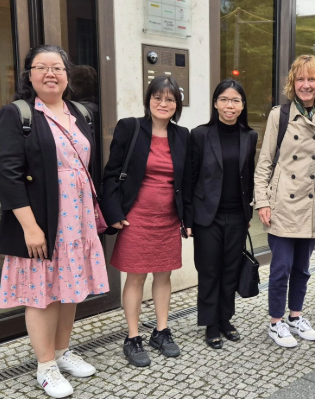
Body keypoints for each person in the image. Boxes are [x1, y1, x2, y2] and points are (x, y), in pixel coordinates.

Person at [0, 45, 109, 398]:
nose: (50, 73)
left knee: (69, 289)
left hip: (78, 219)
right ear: (29, 75)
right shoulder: (17, 114)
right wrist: (30, 227)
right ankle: (45, 367)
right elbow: (7, 173)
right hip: (40, 221)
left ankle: (61, 352)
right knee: (42, 295)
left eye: (57, 67)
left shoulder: (78, 112)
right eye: (41, 67)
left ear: (67, 74)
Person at [100, 76, 191, 367]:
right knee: (136, 276)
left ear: (177, 104)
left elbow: (187, 182)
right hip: (135, 218)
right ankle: (133, 336)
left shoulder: (182, 135)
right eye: (157, 98)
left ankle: (161, 331)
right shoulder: (131, 128)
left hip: (167, 218)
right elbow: (111, 173)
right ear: (148, 100)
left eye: (170, 99)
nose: (163, 104)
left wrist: (187, 219)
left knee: (164, 275)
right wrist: (113, 213)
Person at [254, 55, 315, 348]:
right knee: (281, 267)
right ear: (293, 83)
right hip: (283, 204)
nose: (306, 85)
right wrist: (262, 201)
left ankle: (295, 316)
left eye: (311, 79)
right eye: (301, 79)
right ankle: (276, 322)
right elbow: (265, 161)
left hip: (312, 206)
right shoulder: (280, 115)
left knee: (303, 267)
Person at [188, 79, 258, 349]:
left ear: (242, 106)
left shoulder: (249, 136)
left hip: (237, 216)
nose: (230, 105)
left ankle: (226, 318)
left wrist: (249, 210)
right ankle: (210, 323)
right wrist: (189, 218)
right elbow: (191, 178)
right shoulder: (200, 134)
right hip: (207, 217)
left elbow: (249, 177)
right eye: (225, 99)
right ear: (215, 103)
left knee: (230, 270)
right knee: (209, 271)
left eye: (236, 100)